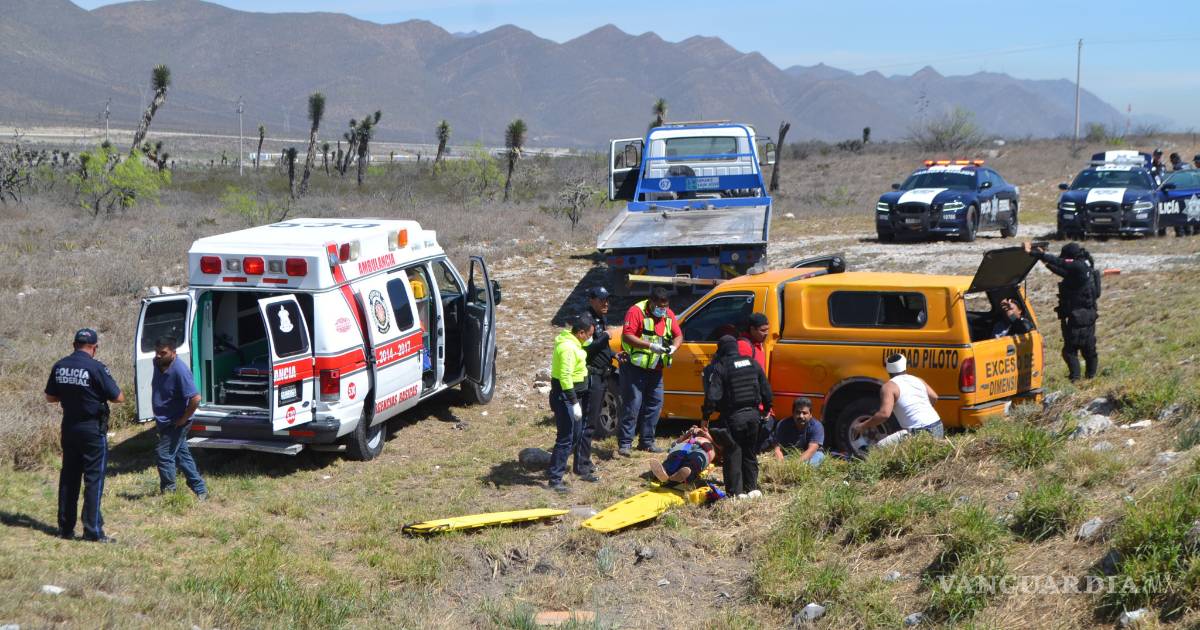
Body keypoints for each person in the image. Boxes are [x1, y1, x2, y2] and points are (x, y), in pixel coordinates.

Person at [44, 328, 124, 543]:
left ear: (74, 345)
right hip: (92, 429)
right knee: (93, 479)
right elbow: (118, 397)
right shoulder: (96, 368)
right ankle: (92, 531)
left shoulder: (60, 365)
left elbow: (50, 397)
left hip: (69, 427)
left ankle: (65, 528)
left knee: (69, 478)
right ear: (95, 348)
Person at [702, 335, 773, 498]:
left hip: (733, 417)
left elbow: (712, 396)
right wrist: (768, 408)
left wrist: (705, 416)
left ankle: (736, 493)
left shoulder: (721, 367)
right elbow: (766, 389)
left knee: (733, 452)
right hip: (753, 416)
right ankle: (752, 488)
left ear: (721, 350)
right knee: (750, 451)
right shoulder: (752, 363)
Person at [618, 287, 682, 456]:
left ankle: (646, 442)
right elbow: (627, 336)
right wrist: (651, 346)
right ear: (651, 302)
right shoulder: (636, 311)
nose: (663, 309)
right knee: (633, 404)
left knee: (655, 404)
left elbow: (678, 335)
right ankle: (625, 443)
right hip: (634, 368)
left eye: (666, 306)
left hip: (655, 368)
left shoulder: (668, 314)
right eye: (660, 306)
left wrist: (674, 347)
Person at [1024, 241, 1100, 380]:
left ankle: (1075, 378)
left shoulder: (1078, 266)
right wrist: (1042, 259)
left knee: (1070, 351)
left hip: (1078, 317)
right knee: (1088, 348)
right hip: (1088, 314)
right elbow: (1061, 271)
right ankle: (1090, 377)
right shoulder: (1084, 266)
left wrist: (1033, 253)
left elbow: (1060, 263)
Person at [151, 337, 207, 498]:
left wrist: (183, 419)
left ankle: (169, 494)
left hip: (176, 421)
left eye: (163, 353)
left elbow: (195, 398)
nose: (159, 355)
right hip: (164, 419)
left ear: (174, 353)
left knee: (164, 455)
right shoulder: (157, 363)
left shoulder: (180, 371)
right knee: (182, 455)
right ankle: (200, 490)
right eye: (157, 352)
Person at [548, 314, 595, 492]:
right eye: (589, 335)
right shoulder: (567, 347)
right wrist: (574, 402)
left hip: (574, 396)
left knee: (574, 436)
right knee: (566, 437)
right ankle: (555, 479)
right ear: (581, 333)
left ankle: (555, 466)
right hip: (565, 397)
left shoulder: (575, 344)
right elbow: (565, 377)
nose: (590, 338)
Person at [852, 353, 943, 440]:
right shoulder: (917, 380)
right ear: (905, 366)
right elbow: (934, 397)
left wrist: (862, 426)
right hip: (937, 426)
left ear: (888, 369)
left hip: (918, 432)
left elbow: (884, 414)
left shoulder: (889, 387)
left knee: (879, 448)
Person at [578, 286, 615, 482]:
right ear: (592, 300)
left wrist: (615, 355)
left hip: (603, 375)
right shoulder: (586, 320)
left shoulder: (600, 318)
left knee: (591, 422)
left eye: (607, 299)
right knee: (588, 423)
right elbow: (586, 349)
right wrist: (605, 337)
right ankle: (581, 466)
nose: (606, 303)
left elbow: (603, 348)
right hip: (592, 376)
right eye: (602, 300)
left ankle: (584, 460)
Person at [649, 426, 718, 485]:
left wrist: (706, 435)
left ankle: (683, 476)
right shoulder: (691, 435)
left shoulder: (716, 434)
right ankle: (665, 471)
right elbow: (676, 443)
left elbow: (719, 450)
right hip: (687, 445)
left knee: (693, 462)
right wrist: (688, 434)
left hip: (704, 449)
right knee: (676, 457)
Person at [770, 397, 825, 467]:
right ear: (793, 413)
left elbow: (811, 450)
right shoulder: (783, 424)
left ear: (810, 414)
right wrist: (780, 462)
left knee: (815, 460)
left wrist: (794, 466)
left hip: (812, 454)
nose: (801, 416)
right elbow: (777, 447)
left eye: (804, 413)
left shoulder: (817, 426)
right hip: (791, 454)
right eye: (798, 412)